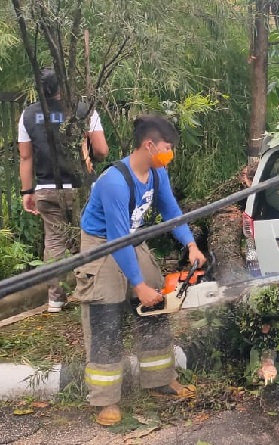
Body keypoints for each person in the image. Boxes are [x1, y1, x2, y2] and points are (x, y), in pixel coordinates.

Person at [75, 114, 206, 426]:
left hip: (129, 238)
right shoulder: (114, 183)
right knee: (105, 315)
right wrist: (137, 284)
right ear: (149, 145)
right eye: (167, 147)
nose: (170, 153)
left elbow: (171, 210)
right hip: (102, 243)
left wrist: (190, 245)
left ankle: (160, 379)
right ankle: (105, 400)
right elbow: (117, 238)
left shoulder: (157, 173)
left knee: (157, 303)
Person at [17, 68, 109, 312]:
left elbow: (25, 158)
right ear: (64, 85)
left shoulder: (28, 114)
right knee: (89, 237)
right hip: (80, 188)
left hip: (46, 188)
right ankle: (93, 291)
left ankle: (56, 299)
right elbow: (101, 150)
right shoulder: (82, 109)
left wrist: (27, 192)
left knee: (55, 243)